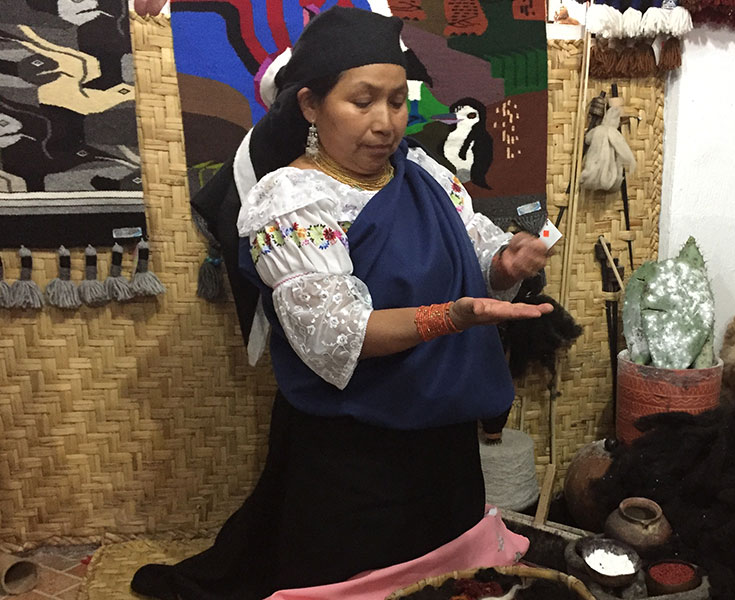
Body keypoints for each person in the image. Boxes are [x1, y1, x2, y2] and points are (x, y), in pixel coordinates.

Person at [131, 8, 552, 599]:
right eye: (362, 101)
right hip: (353, 446)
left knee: (446, 574)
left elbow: (477, 247)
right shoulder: (291, 199)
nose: (386, 123)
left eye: (398, 101)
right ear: (310, 105)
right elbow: (338, 334)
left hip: (442, 424)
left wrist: (506, 264)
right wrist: (453, 315)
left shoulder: (428, 174)